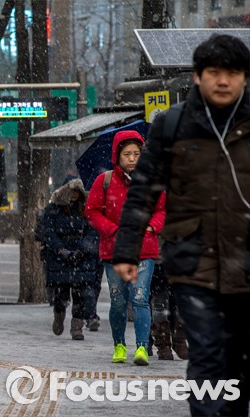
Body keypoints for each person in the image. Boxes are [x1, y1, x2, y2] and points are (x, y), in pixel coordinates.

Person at [113, 34, 250, 416]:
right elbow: (143, 190)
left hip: (245, 260)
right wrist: (126, 250)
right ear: (197, 76)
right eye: (214, 72)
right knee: (206, 352)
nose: (223, 81)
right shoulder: (172, 124)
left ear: (244, 77)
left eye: (233, 73)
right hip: (193, 261)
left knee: (239, 357)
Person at [85, 130, 166, 366]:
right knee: (118, 301)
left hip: (144, 250)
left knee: (140, 298)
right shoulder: (105, 181)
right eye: (127, 154)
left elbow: (162, 209)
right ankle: (119, 345)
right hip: (114, 251)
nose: (132, 158)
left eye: (136, 154)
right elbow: (92, 211)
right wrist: (112, 229)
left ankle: (141, 347)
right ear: (118, 156)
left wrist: (152, 226)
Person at [41, 177, 100, 341]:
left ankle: (77, 327)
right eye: (72, 191)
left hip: (82, 258)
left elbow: (94, 231)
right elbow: (48, 230)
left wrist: (82, 250)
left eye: (77, 192)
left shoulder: (88, 209)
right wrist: (60, 250)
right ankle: (59, 314)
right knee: (61, 294)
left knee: (80, 296)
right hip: (60, 258)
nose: (74, 195)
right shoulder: (55, 209)